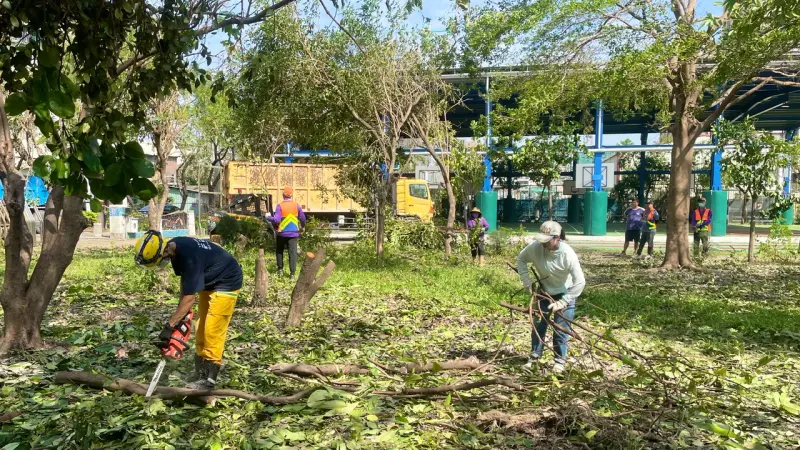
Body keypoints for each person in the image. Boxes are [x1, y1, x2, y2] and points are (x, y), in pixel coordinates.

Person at [134, 231, 243, 389]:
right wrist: (181, 314)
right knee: (200, 327)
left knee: (212, 330)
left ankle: (209, 380)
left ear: (163, 252)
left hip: (227, 281)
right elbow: (186, 287)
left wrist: (170, 325)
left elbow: (190, 299)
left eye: (160, 261)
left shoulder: (188, 255)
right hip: (209, 281)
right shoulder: (174, 249)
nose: (161, 263)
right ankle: (200, 373)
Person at [516, 221, 585, 373]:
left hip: (565, 293)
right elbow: (521, 259)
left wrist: (564, 301)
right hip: (544, 291)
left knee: (561, 328)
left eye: (547, 240)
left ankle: (559, 362)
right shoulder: (535, 248)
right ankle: (534, 357)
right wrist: (527, 280)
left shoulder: (567, 254)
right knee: (538, 324)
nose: (543, 244)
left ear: (557, 238)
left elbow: (580, 281)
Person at [270, 186, 307, 278]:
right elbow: (303, 218)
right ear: (291, 195)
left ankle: (280, 270)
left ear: (283, 195)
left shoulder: (280, 206)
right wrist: (302, 226)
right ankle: (292, 274)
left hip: (282, 233)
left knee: (279, 251)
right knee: (293, 253)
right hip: (293, 233)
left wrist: (268, 217)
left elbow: (277, 220)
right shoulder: (296, 205)